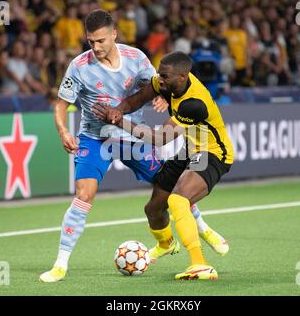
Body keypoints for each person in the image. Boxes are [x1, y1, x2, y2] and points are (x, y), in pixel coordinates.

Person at [40, 10, 228, 283]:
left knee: (169, 186)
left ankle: (203, 228)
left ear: (114, 34)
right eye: (90, 41)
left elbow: (158, 86)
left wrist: (163, 99)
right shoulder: (79, 66)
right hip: (96, 139)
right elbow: (61, 103)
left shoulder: (137, 59)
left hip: (132, 140)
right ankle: (60, 264)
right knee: (84, 193)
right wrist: (63, 130)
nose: (95, 47)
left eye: (101, 40)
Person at [93, 51, 234, 280]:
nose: (159, 79)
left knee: (178, 200)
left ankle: (200, 264)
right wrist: (117, 110)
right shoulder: (166, 82)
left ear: (182, 77)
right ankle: (166, 244)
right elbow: (137, 99)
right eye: (159, 73)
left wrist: (120, 122)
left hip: (213, 153)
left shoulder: (193, 103)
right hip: (189, 148)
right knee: (153, 210)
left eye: (165, 76)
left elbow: (159, 139)